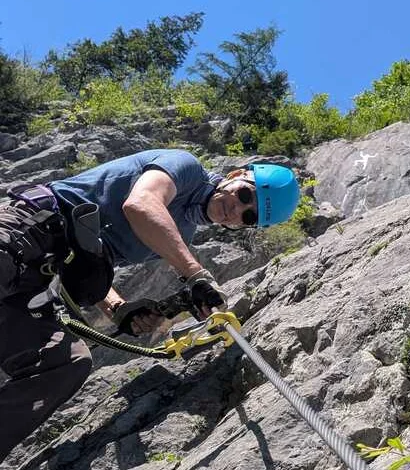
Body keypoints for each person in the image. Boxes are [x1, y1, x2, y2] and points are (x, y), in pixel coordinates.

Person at [0, 148, 301, 459]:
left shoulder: (182, 232)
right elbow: (140, 204)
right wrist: (196, 274)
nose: (236, 210)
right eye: (244, 195)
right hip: (25, 230)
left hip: (38, 283)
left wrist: (119, 309)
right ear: (237, 175)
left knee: (65, 364)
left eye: (249, 217)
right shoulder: (186, 168)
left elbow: (94, 261)